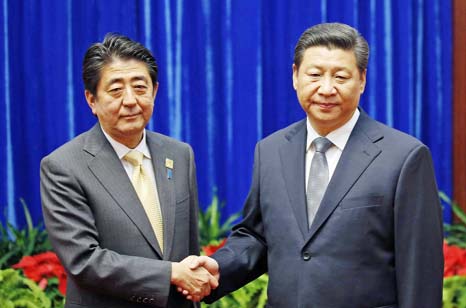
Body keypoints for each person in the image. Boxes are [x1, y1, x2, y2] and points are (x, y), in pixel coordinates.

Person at [187, 22, 444, 307]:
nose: (326, 88)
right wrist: (217, 270)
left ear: (362, 80)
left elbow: (420, 268)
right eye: (315, 74)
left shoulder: (404, 156)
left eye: (340, 76)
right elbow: (257, 236)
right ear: (296, 76)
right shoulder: (271, 150)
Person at [40, 33, 218, 308]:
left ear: (155, 91)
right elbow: (84, 261)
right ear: (91, 100)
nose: (131, 100)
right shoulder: (63, 166)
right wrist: (170, 274)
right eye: (115, 90)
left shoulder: (179, 155)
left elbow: (189, 249)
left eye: (140, 87)